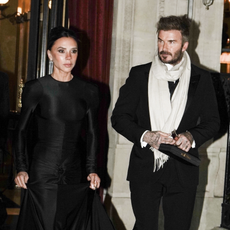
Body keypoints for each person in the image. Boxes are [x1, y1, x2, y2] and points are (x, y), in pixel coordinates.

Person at [111, 15, 220, 230]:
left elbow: (213, 121)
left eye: (171, 42)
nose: (164, 47)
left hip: (183, 166)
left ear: (185, 45)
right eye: (161, 40)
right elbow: (119, 118)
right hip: (145, 165)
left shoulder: (203, 79)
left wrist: (191, 136)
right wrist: (146, 135)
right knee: (144, 226)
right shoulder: (139, 74)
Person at [14, 26, 114, 230]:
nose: (68, 57)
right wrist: (21, 167)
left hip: (75, 173)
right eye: (61, 51)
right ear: (50, 54)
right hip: (42, 171)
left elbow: (95, 133)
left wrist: (92, 170)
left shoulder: (90, 91)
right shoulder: (36, 88)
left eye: (73, 51)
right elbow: (21, 131)